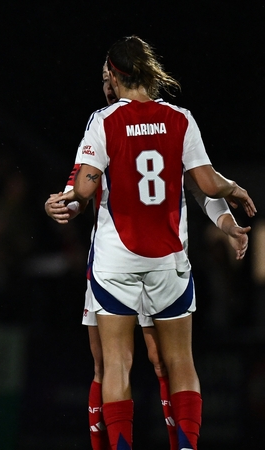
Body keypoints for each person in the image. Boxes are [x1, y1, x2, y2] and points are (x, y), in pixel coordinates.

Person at [51, 35, 256, 450]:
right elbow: (205, 185)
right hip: (169, 262)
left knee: (114, 364)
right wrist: (231, 204)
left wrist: (66, 200)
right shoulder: (180, 119)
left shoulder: (104, 120)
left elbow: (86, 185)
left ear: (113, 73)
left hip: (116, 261)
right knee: (180, 362)